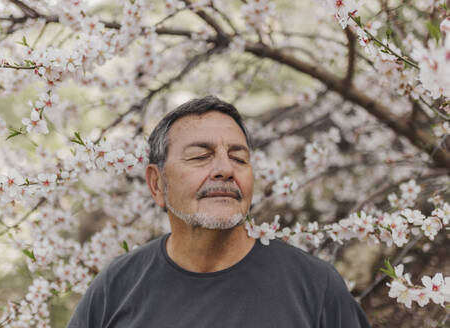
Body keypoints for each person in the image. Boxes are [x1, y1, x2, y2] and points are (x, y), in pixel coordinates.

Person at [67, 95, 371, 328]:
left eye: (239, 158)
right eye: (201, 156)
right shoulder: (116, 288)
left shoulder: (315, 286)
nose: (225, 169)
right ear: (157, 183)